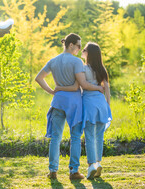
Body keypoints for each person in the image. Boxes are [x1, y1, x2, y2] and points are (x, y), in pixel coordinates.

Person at [35, 33, 103, 180]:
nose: (79, 49)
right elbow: (78, 86)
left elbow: (38, 78)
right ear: (71, 45)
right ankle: (74, 171)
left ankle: (53, 170)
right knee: (76, 138)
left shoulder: (53, 61)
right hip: (74, 104)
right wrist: (98, 88)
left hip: (58, 102)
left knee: (55, 138)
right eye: (78, 45)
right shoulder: (77, 62)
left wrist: (53, 91)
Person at [55, 42, 112, 179]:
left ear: (88, 53)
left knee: (89, 137)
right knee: (99, 136)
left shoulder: (83, 68)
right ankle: (98, 163)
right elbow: (107, 87)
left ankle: (91, 165)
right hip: (101, 103)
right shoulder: (101, 69)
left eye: (84, 49)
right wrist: (108, 105)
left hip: (89, 103)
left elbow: (81, 85)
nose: (82, 51)